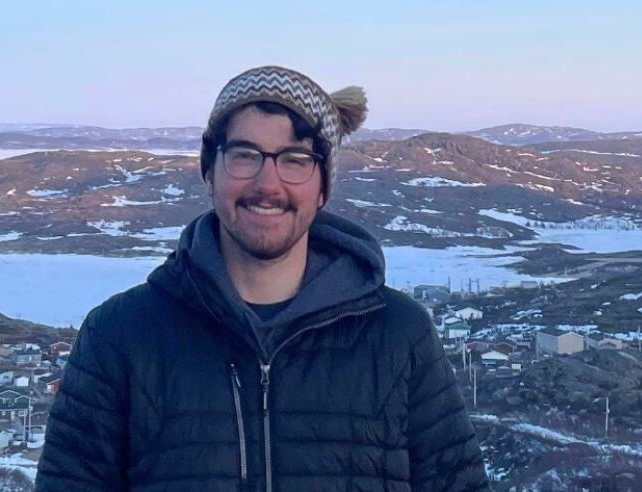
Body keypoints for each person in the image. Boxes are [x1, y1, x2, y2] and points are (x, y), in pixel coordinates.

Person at [36, 66, 489, 492]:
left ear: (323, 186)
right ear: (209, 172)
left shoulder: (400, 335)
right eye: (245, 155)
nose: (268, 183)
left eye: (294, 159)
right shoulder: (119, 335)